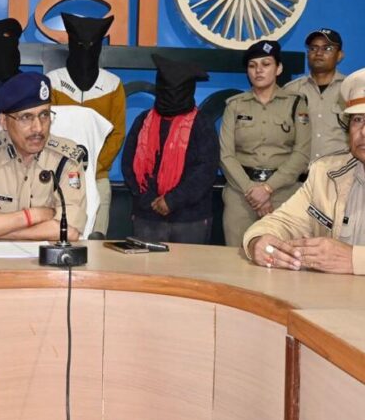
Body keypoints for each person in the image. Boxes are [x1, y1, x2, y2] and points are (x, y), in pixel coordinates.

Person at [243, 68, 365, 275]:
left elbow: (350, 259)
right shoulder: (326, 173)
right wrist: (258, 242)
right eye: (358, 120)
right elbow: (282, 222)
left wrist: (355, 260)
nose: (363, 131)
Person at [0, 72, 87, 241]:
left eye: (44, 115)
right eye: (26, 117)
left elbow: (69, 231)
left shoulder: (66, 158)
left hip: (46, 256)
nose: (38, 128)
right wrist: (33, 216)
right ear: (3, 121)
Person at [219, 40, 311, 247]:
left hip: (284, 193)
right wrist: (252, 190)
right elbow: (226, 155)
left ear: (279, 68)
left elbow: (301, 154)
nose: (258, 70)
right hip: (241, 195)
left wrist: (268, 188)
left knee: (283, 254)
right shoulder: (235, 106)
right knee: (235, 256)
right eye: (252, 66)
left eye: (266, 64)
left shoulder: (296, 103)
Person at [121, 55, 219, 243]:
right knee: (147, 263)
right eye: (165, 89)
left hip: (190, 219)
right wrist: (149, 200)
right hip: (148, 215)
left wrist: (172, 200)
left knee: (189, 264)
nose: (170, 94)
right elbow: (129, 164)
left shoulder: (201, 123)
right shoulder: (143, 121)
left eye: (176, 90)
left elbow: (206, 170)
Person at [47, 13, 125, 236]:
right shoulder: (53, 81)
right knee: (57, 239)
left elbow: (117, 133)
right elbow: (46, 129)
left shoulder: (113, 84)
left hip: (97, 179)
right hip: (57, 178)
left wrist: (95, 167)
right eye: (80, 44)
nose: (86, 50)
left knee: (95, 244)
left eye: (92, 45)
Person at [285, 28, 347, 160]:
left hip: (341, 170)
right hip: (301, 171)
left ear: (340, 55)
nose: (319, 53)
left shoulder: (350, 89)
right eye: (313, 48)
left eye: (327, 48)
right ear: (307, 54)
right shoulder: (291, 90)